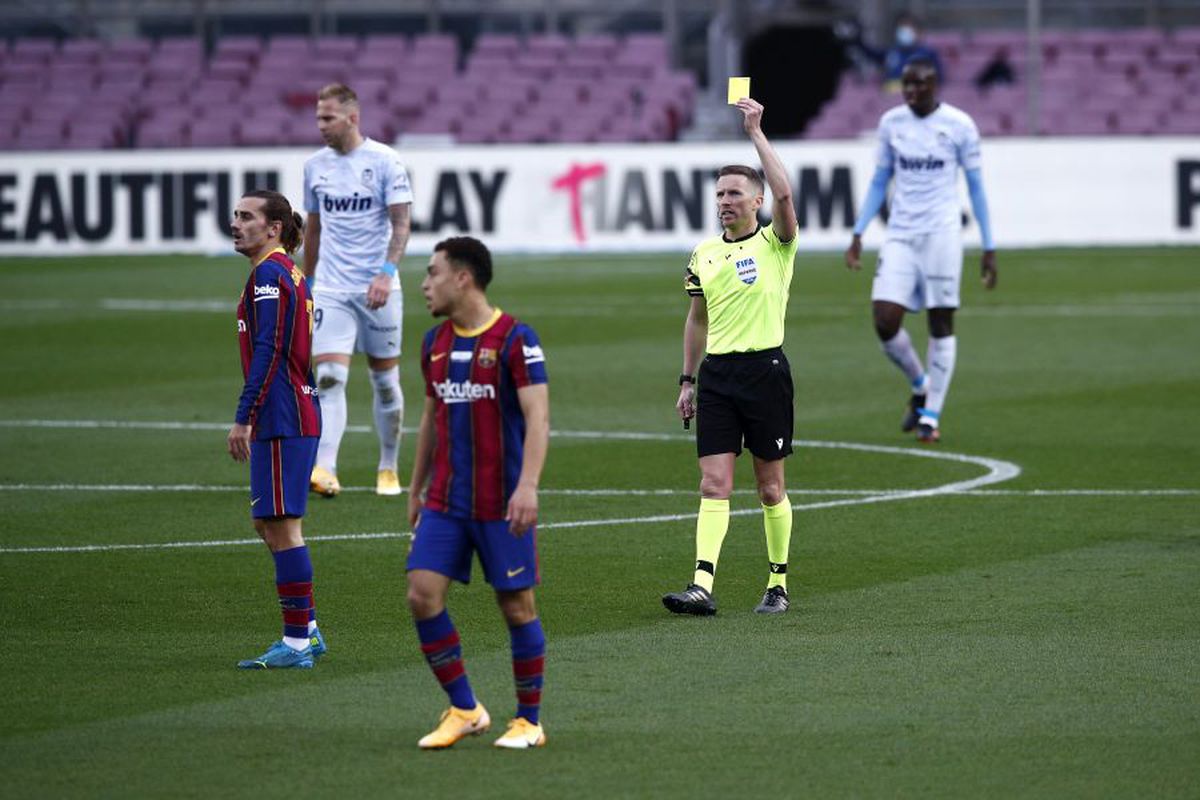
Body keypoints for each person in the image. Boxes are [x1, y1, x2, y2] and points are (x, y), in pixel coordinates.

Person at [405, 237, 551, 750]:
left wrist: (528, 486)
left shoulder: (515, 339)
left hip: (501, 501)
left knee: (516, 607)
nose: (424, 284)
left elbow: (538, 417)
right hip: (446, 499)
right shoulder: (433, 343)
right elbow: (430, 417)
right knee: (422, 595)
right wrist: (417, 487)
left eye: (432, 273)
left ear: (462, 278)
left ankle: (528, 721)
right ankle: (465, 708)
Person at [662, 97, 799, 617]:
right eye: (719, 193)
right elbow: (697, 319)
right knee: (713, 483)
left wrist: (756, 133)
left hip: (765, 374)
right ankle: (702, 585)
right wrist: (687, 380)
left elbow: (786, 191)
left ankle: (777, 584)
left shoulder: (777, 243)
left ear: (757, 200)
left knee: (769, 487)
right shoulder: (704, 255)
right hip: (718, 376)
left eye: (734, 192)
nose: (724, 200)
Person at [844, 57, 997, 443]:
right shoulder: (891, 123)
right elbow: (881, 180)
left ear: (935, 86)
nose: (911, 92)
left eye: (919, 85)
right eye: (906, 85)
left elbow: (976, 188)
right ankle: (920, 381)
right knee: (884, 319)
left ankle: (931, 415)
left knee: (940, 322)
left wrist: (988, 246)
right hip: (900, 233)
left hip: (942, 235)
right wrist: (859, 231)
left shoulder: (960, 126)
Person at [227, 190, 326, 669]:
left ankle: (296, 644)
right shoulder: (286, 272)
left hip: (283, 415)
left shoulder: (270, 274)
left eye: (247, 216)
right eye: (236, 215)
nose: (236, 223)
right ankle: (306, 629)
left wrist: (245, 415)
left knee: (283, 527)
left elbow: (268, 350)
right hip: (288, 412)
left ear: (273, 228)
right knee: (267, 523)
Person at [302, 83, 414, 498]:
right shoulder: (315, 166)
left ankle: (388, 465)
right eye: (318, 117)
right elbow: (313, 228)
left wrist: (386, 273)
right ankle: (325, 468)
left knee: (384, 382)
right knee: (329, 377)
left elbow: (401, 222)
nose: (321, 126)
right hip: (332, 288)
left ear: (352, 117)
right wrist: (307, 282)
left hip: (378, 289)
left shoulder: (385, 161)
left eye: (328, 118)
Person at [879, 13, 944, 91]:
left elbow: (938, 79)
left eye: (908, 27)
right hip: (891, 95)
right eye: (902, 27)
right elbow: (873, 55)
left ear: (917, 31)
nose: (905, 31)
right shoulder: (892, 52)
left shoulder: (928, 53)